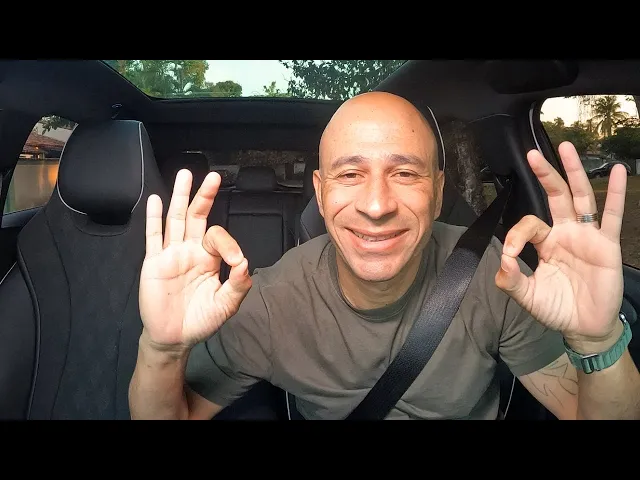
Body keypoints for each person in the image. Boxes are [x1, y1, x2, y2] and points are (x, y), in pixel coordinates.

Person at [129, 91, 640, 420]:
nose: (376, 206)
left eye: (406, 173)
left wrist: (598, 340)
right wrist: (162, 349)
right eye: (350, 174)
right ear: (321, 193)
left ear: (437, 193)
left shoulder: (493, 274)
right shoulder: (267, 303)